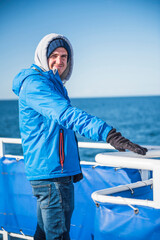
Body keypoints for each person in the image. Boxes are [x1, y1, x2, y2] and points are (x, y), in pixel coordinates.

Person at [12, 33, 147, 240]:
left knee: (43, 234)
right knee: (58, 236)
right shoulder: (36, 85)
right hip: (52, 175)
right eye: (54, 55)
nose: (59, 61)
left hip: (50, 173)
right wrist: (110, 134)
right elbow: (66, 115)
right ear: (42, 55)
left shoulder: (51, 84)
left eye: (64, 56)